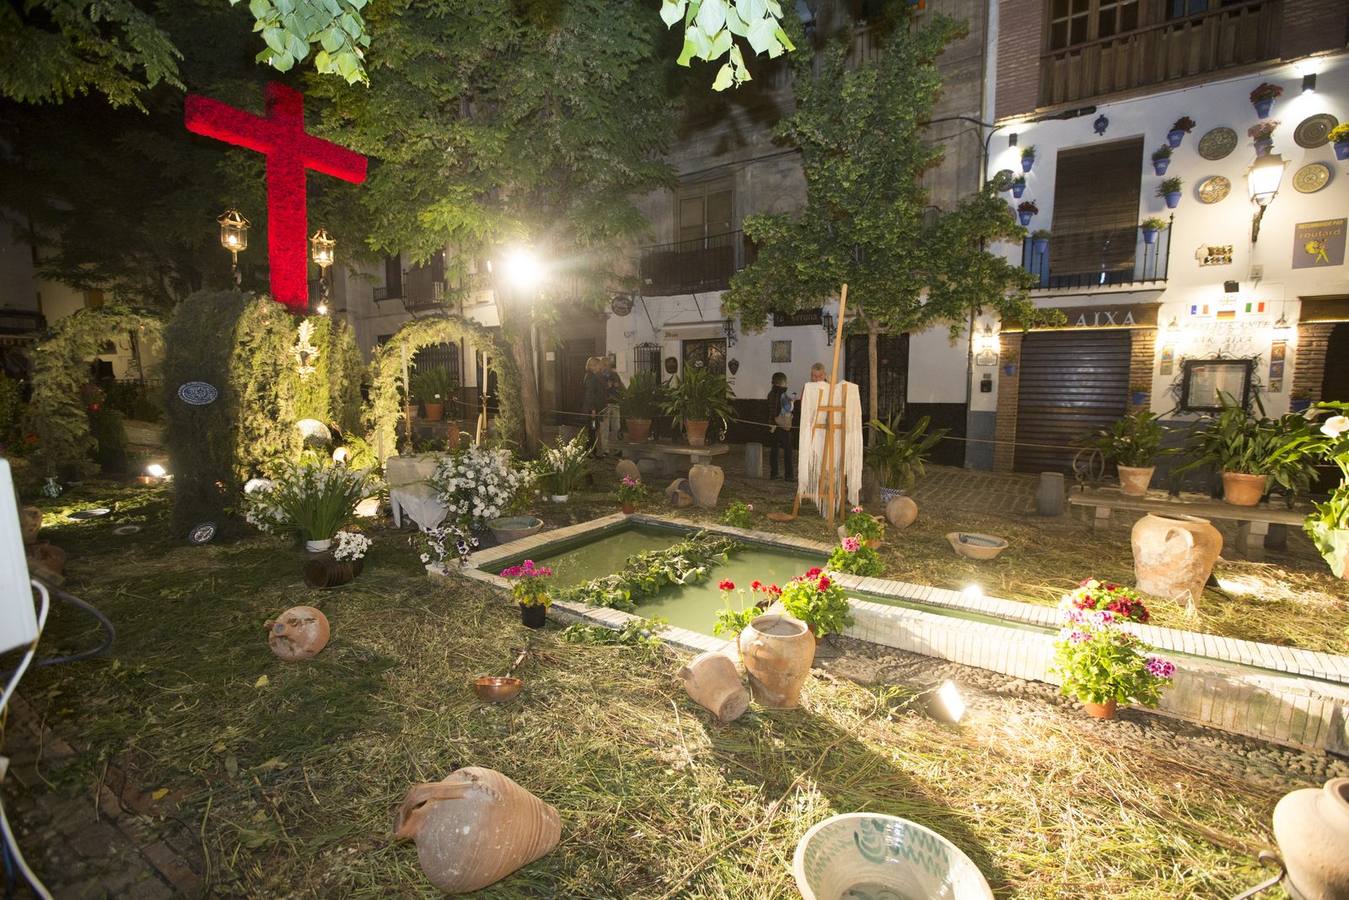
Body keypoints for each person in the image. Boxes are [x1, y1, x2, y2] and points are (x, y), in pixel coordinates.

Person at [766, 372, 794, 481]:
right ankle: (789, 475)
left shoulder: (770, 394)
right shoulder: (784, 394)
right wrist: (792, 402)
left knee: (774, 450)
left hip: (772, 425)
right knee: (788, 451)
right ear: (783, 382)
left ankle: (774, 473)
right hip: (783, 426)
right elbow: (788, 408)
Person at [582, 357, 606, 456]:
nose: (599, 367)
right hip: (592, 410)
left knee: (593, 429)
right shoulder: (590, 377)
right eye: (597, 365)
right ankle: (591, 451)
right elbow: (590, 394)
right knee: (592, 429)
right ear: (592, 366)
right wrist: (592, 409)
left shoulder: (592, 376)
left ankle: (590, 449)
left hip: (595, 408)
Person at [601, 357, 624, 453]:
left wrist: (618, 387)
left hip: (615, 404)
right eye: (605, 365)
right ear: (602, 365)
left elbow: (621, 386)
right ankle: (605, 449)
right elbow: (599, 390)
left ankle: (616, 448)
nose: (607, 367)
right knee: (605, 428)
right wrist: (607, 386)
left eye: (608, 365)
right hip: (604, 405)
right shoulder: (599, 376)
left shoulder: (614, 374)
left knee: (616, 427)